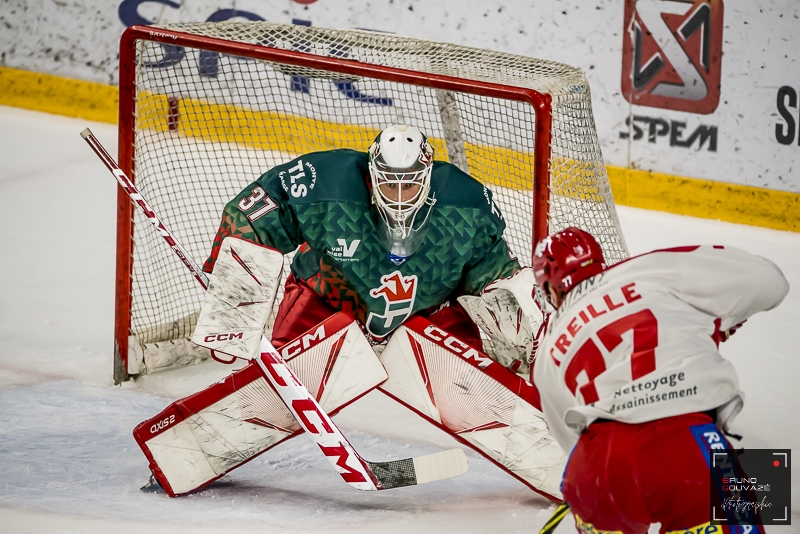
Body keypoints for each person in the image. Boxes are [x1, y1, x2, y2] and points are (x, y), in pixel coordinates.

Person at [202, 124, 534, 371]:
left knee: (475, 386)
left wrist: (519, 311)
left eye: (409, 184)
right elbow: (252, 215)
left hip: (429, 311)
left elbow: (490, 264)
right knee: (284, 385)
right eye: (389, 183)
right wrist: (230, 300)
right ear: (373, 173)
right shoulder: (327, 183)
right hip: (329, 299)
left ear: (427, 176)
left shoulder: (466, 203)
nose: (398, 195)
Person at [531, 227, 789, 534]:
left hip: (593, 472)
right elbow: (772, 281)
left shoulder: (546, 354)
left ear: (551, 290)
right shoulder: (651, 268)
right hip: (684, 447)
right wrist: (720, 318)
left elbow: (570, 440)